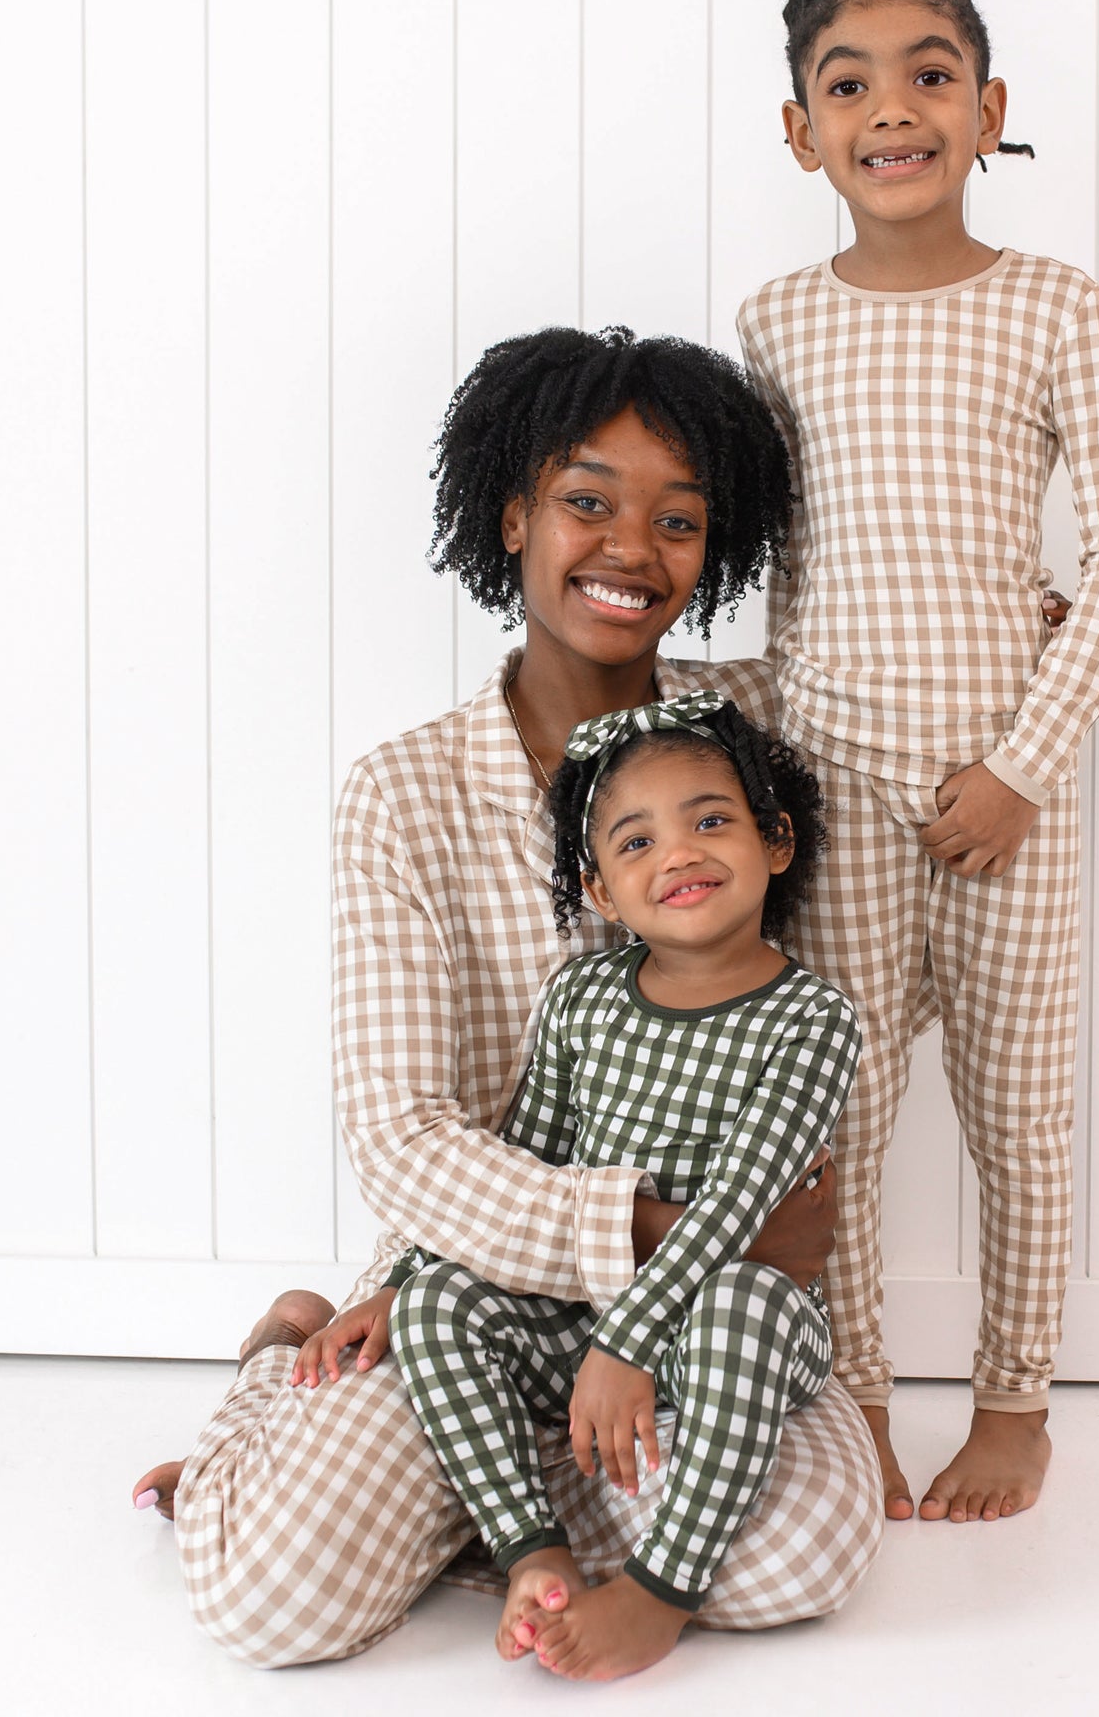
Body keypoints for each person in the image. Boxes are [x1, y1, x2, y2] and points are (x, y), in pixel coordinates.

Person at [130, 326, 882, 1667]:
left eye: (679, 520)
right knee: (265, 1595)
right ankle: (293, 1388)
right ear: (516, 515)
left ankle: (483, 1516)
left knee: (802, 1555)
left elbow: (908, 680)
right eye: (589, 502)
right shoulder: (402, 794)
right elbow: (403, 1136)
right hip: (481, 1284)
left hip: (720, 1308)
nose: (631, 549)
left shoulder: (760, 732)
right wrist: (630, 1232)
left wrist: (1028, 621)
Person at [735, 0, 1099, 1526]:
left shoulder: (1053, 303)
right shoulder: (776, 322)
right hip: (834, 792)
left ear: (988, 109)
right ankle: (851, 1396)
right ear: (803, 133)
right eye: (848, 84)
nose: (892, 109)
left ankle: (1014, 1402)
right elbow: (787, 576)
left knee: (1016, 1118)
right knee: (837, 1121)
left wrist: (1022, 768)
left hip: (1003, 795)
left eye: (929, 75)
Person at [357, 694, 858, 1683]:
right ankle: (530, 1549)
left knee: (746, 1302)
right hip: (587, 1318)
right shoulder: (583, 999)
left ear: (775, 841)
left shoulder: (813, 1020)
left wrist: (627, 1341)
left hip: (727, 1327)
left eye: (710, 820)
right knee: (438, 1303)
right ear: (599, 890)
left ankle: (661, 1588)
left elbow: (739, 1207)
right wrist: (402, 1281)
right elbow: (528, 1160)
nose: (679, 853)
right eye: (637, 842)